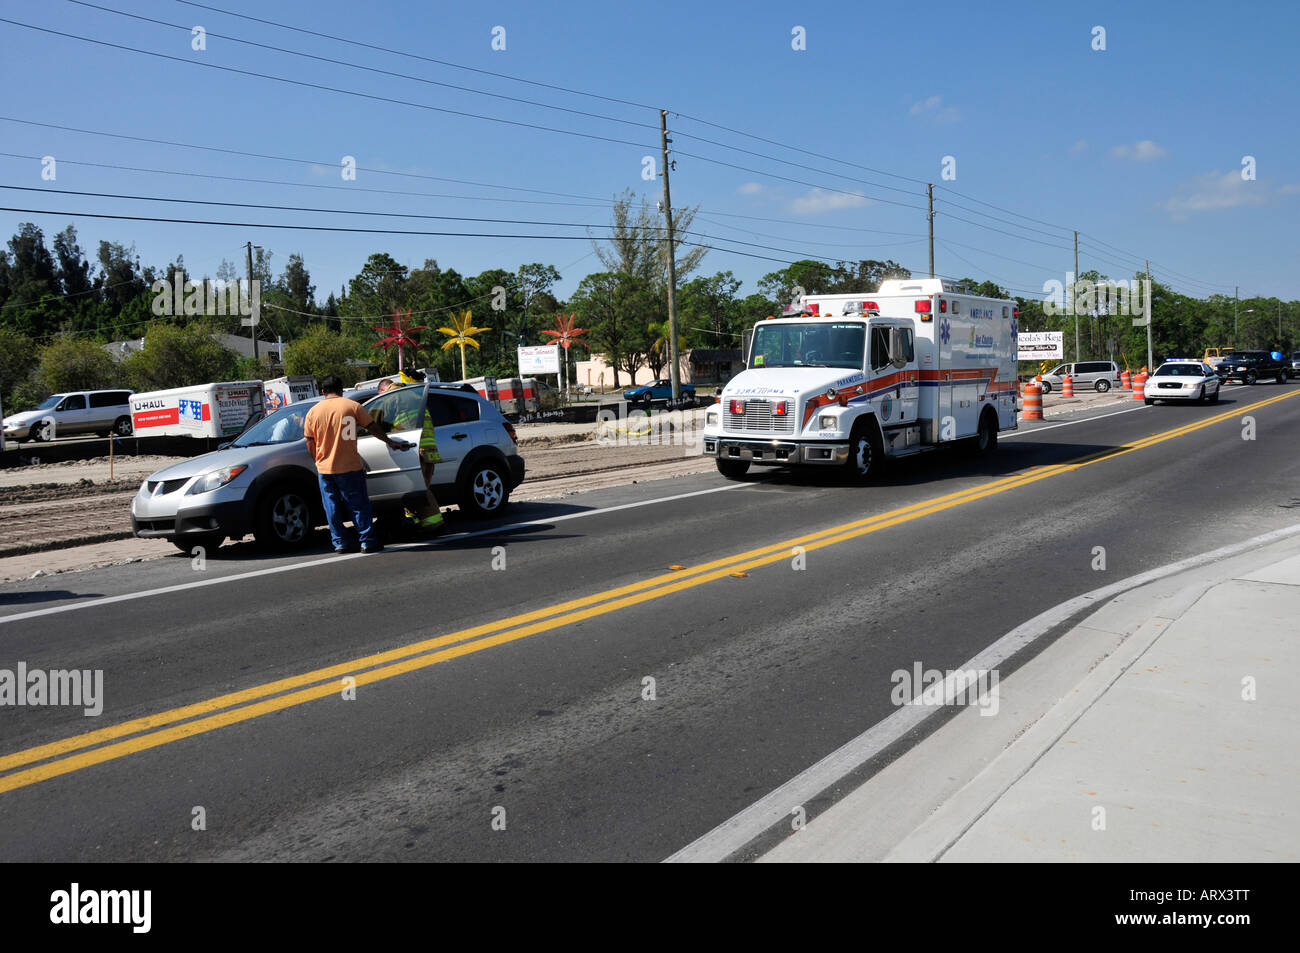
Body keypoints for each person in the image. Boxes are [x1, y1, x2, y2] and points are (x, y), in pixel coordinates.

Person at [303, 375, 408, 554]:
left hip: (325, 469)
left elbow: (309, 441)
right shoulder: (352, 407)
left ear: (323, 392)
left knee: (332, 507)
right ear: (341, 389)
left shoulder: (313, 412)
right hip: (349, 466)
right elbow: (372, 427)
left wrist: (318, 460)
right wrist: (389, 441)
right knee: (358, 505)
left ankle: (340, 543)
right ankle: (367, 541)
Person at [381, 379, 444, 532]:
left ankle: (431, 524)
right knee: (423, 488)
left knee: (415, 489)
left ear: (383, 390)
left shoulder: (391, 397)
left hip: (413, 450)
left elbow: (381, 421)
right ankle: (421, 521)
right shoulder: (415, 394)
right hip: (429, 449)